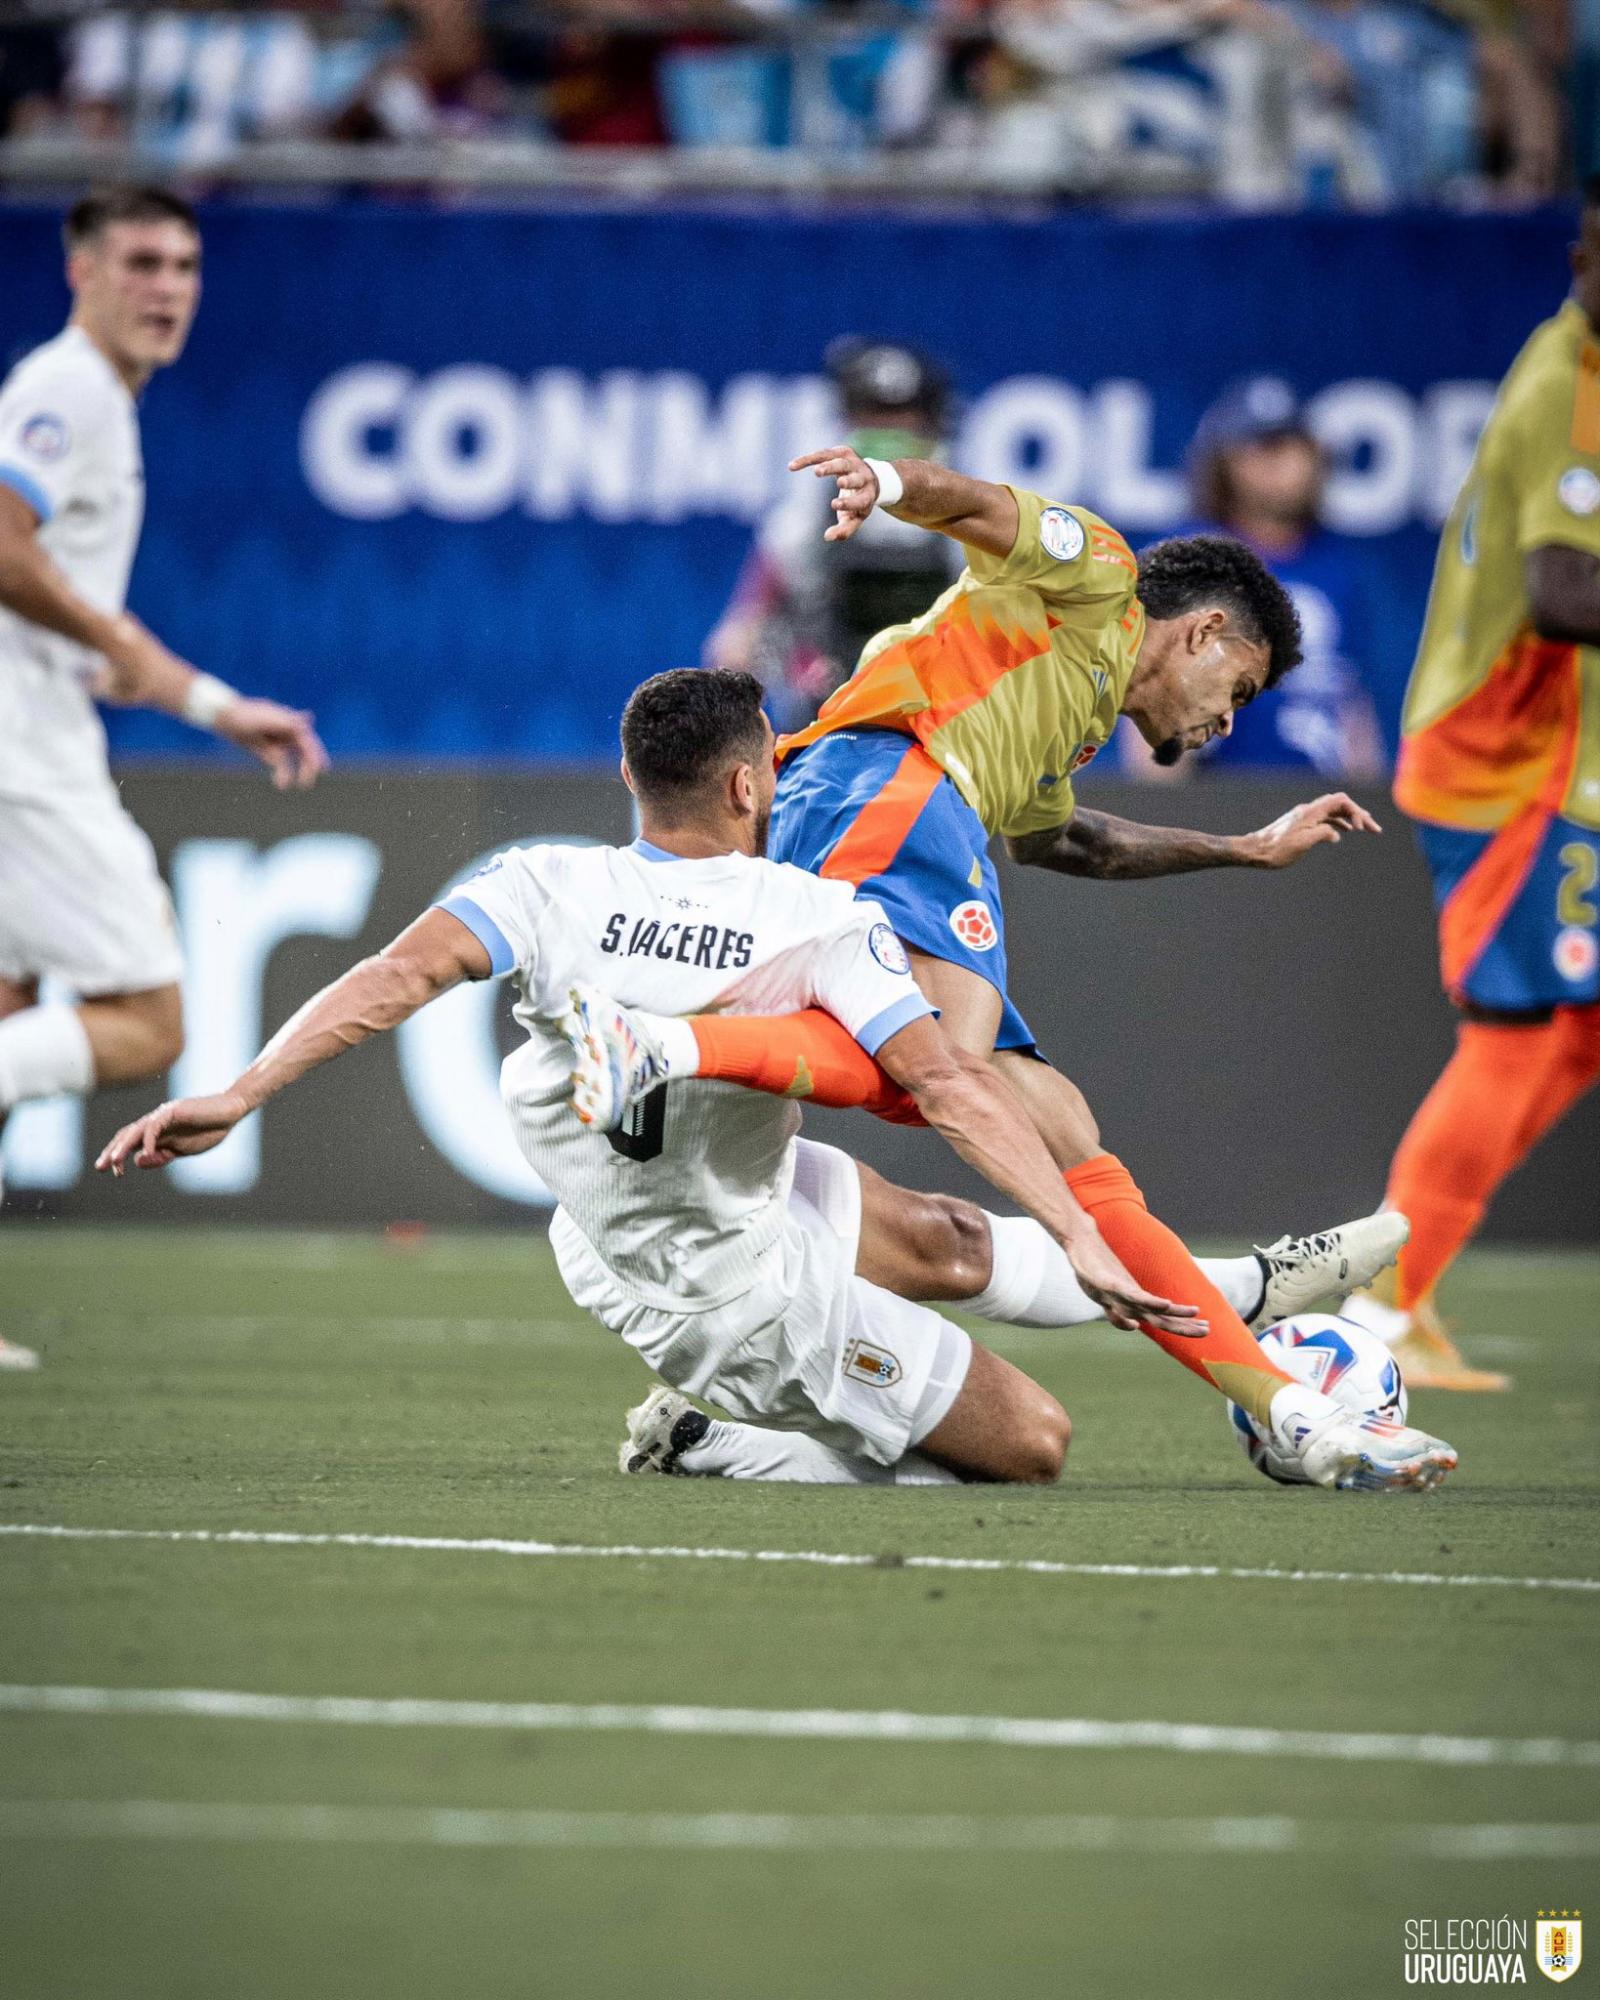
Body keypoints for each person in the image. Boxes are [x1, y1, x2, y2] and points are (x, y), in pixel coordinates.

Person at [97, 670, 1451, 1491]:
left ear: (633, 781)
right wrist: (1090, 1230)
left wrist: (243, 1091)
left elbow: (390, 979)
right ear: (755, 782)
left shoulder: (542, 881)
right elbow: (957, 1088)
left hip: (638, 1220)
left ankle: (1244, 1294)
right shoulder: (814, 917)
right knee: (1035, 1442)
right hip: (732, 1291)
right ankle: (712, 1439)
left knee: (949, 1237)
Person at [617, 447, 1444, 1474]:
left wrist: (1243, 847)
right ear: (1205, 631)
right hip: (885, 778)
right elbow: (973, 504)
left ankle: (1289, 1410)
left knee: (1065, 1133)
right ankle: (667, 1042)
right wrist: (888, 480)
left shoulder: (1071, 718)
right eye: (1236, 690)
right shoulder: (1096, 575)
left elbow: (1070, 842)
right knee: (943, 1065)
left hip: (927, 815)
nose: (1227, 722)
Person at [0, 185, 328, 1371]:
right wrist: (122, 648)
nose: (167, 286)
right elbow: (2, 542)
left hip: (30, 733)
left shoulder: (101, 403)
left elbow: (83, 606)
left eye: (185, 265)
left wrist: (206, 704)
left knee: (13, 1001)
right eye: (140, 261)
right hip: (24, 754)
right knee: (149, 1022)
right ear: (77, 268)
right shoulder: (66, 391)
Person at [1341, 184, 1600, 1390]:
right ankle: (1385, 1300)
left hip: (1550, 754)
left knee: (1580, 1024)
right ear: (1581, 254)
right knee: (1511, 1028)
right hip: (1496, 763)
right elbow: (1562, 594)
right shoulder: (1568, 385)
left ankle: (1405, 1281)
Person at [1122, 376, 1383, 779]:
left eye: (1288, 444)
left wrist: (1365, 803)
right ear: (1225, 464)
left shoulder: (1338, 565)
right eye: (1259, 447)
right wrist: (1161, 819)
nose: (1277, 462)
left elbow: (1350, 698)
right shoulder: (1190, 557)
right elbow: (1150, 694)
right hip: (1219, 804)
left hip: (1317, 803)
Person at [703, 340, 963, 734]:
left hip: (944, 727)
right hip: (825, 725)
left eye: (902, 420)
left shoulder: (973, 524)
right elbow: (736, 638)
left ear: (931, 427)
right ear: (846, 424)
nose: (887, 432)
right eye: (872, 418)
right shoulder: (798, 526)